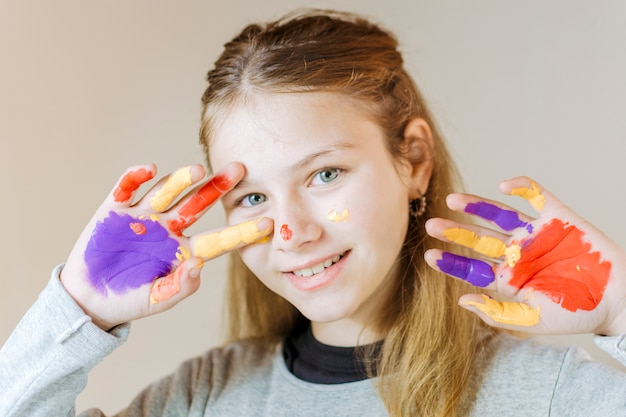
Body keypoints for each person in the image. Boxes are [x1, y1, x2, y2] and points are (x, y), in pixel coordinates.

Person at [1, 9, 625, 417]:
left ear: (413, 159)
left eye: (324, 174)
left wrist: (623, 310)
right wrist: (77, 312)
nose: (292, 231)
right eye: (252, 198)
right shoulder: (204, 397)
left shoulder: (547, 394)